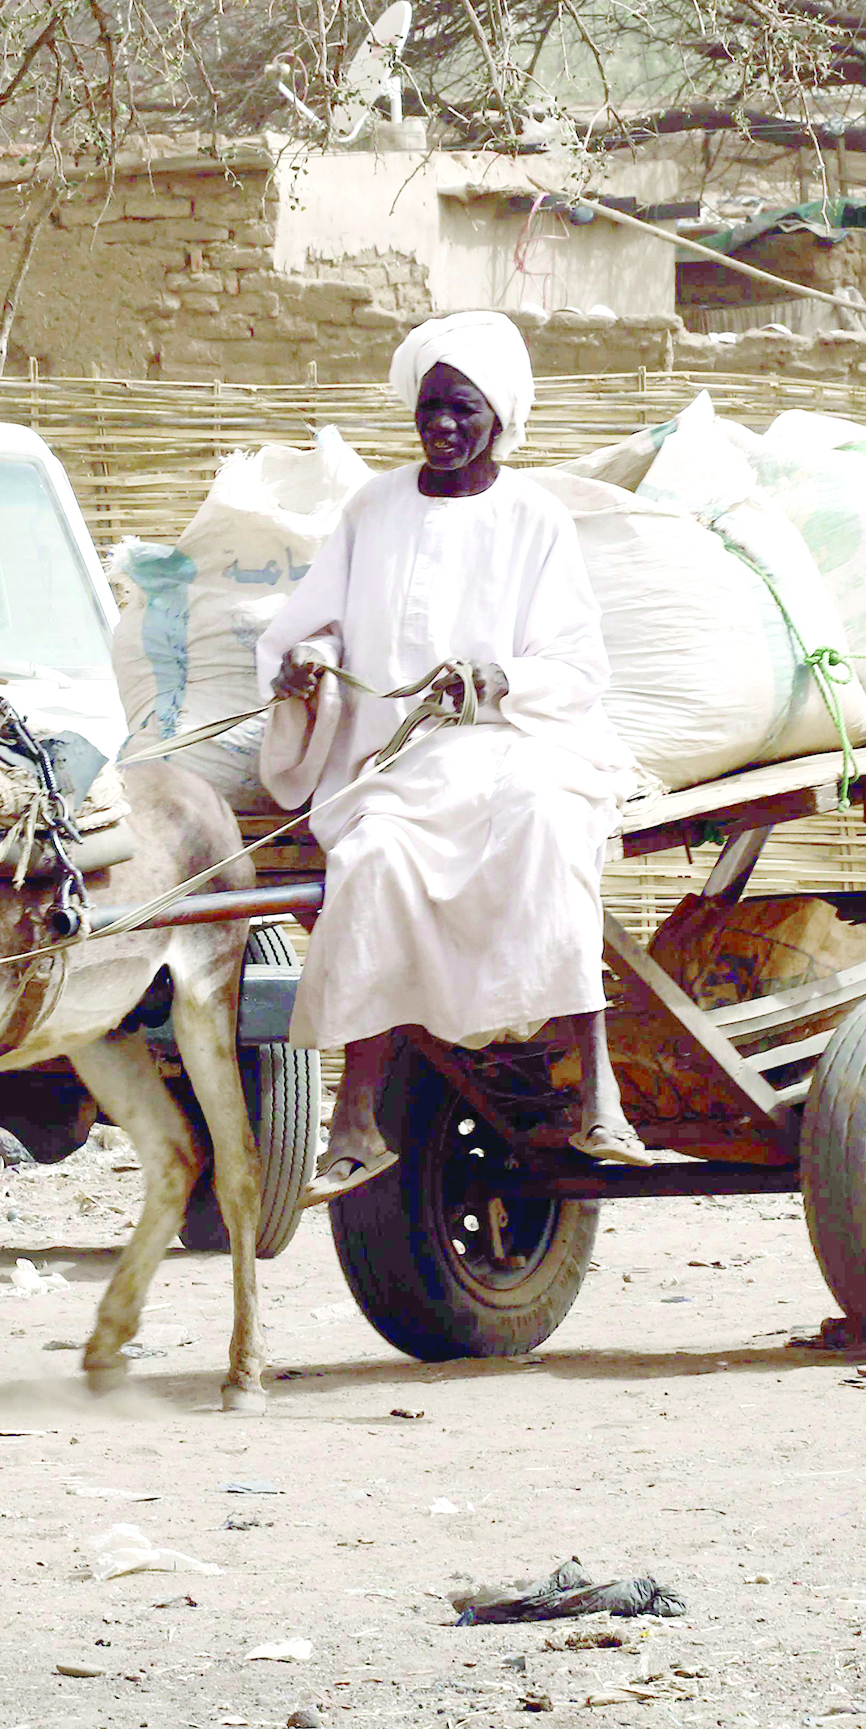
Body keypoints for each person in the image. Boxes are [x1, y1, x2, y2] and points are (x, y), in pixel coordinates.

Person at [257, 311, 659, 1206]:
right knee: (371, 859)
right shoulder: (373, 509)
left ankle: (599, 1092)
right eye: (428, 407)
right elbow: (309, 622)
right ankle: (353, 1121)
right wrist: (306, 658)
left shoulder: (535, 519)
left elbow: (576, 666)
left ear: (501, 415)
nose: (440, 425)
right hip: (396, 761)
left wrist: (496, 678)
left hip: (518, 743)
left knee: (552, 828)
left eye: (461, 408)